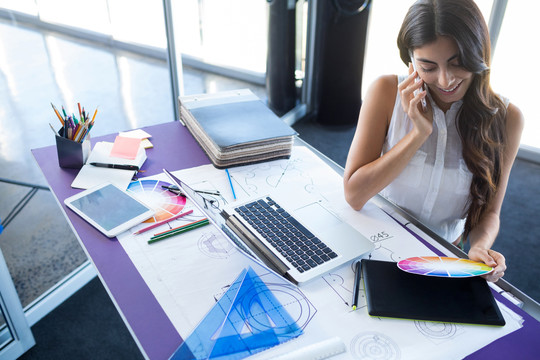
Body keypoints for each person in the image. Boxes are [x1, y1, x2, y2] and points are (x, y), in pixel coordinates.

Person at [343, 0, 523, 282]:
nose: (445, 79)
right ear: (410, 61)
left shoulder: (507, 118)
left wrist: (479, 247)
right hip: (373, 243)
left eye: (457, 63)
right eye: (428, 66)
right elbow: (354, 195)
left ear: (478, 54)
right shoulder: (385, 91)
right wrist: (418, 134)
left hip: (439, 260)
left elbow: (490, 212)